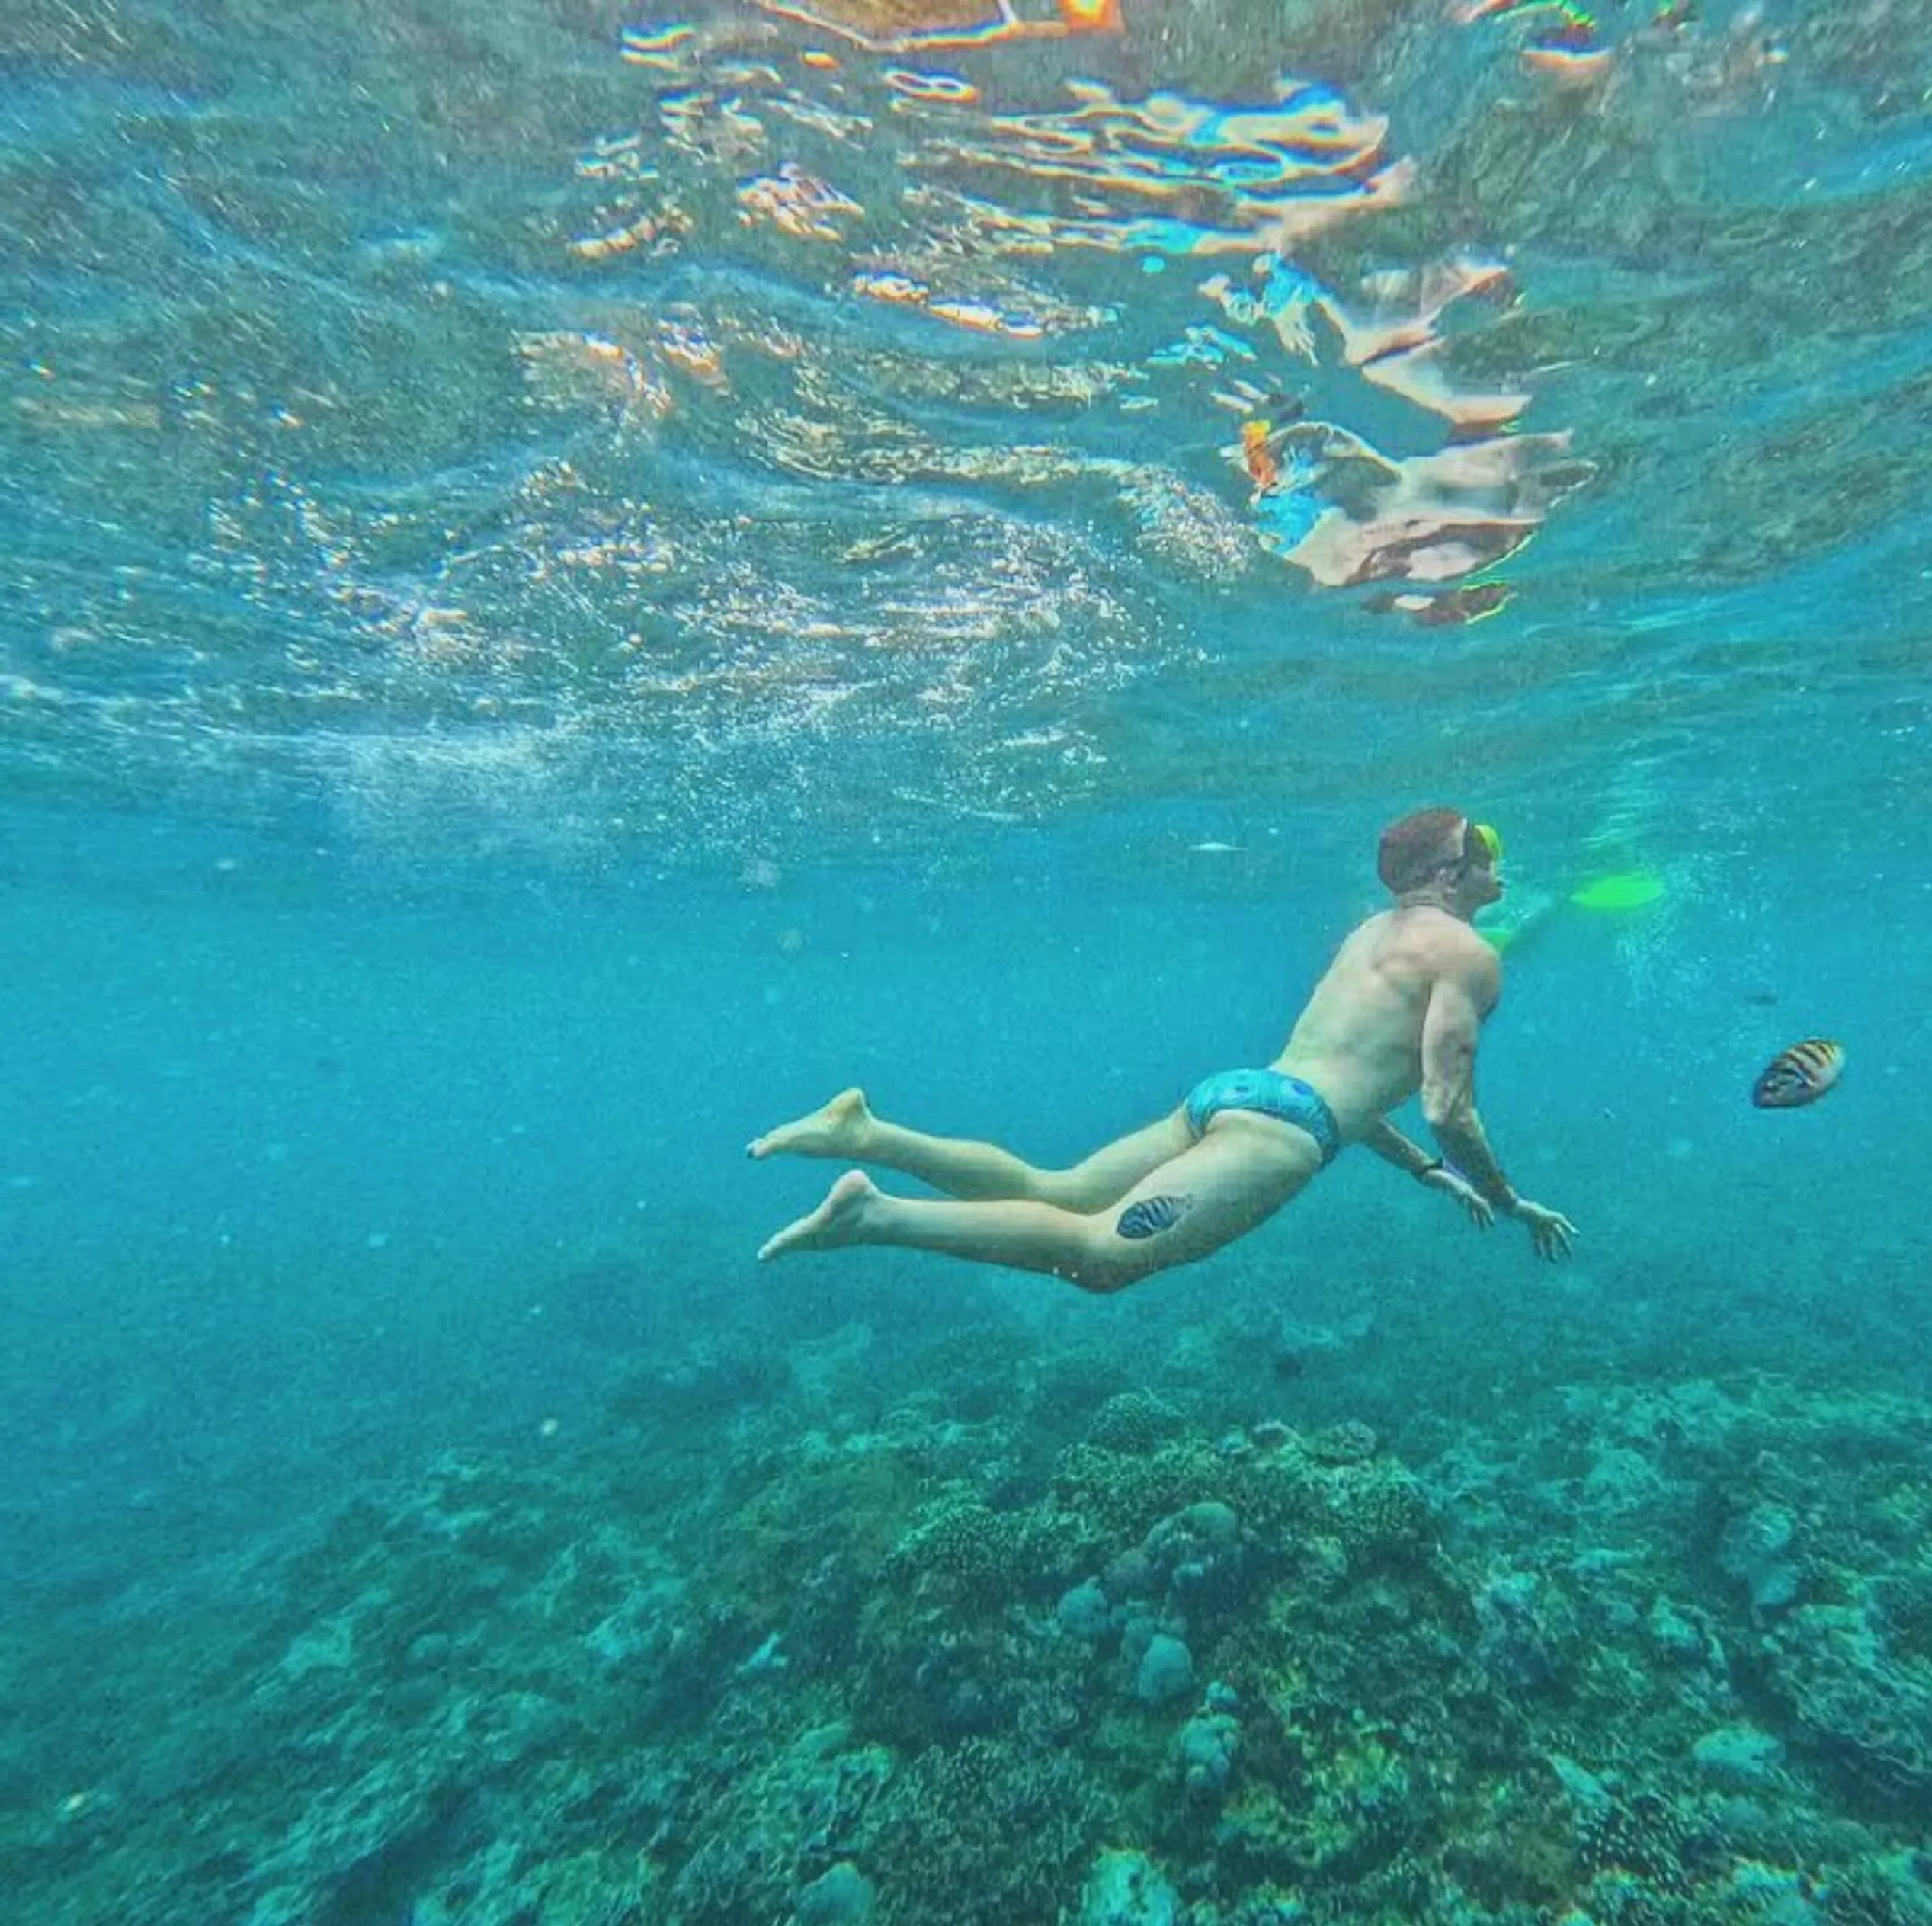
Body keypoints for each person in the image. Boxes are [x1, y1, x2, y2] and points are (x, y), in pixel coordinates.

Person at [749, 808, 1575, 1290]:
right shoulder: (1469, 955)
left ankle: (866, 1133)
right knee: (1099, 1258)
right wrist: (1507, 1199)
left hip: (1243, 1092)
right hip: (1283, 1135)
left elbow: (1358, 1080)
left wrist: (1429, 1175)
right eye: (1488, 849)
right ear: (1451, 867)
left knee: (1059, 1188)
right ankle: (874, 1214)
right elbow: (1444, 1104)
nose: (1500, 862)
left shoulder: (1377, 929)